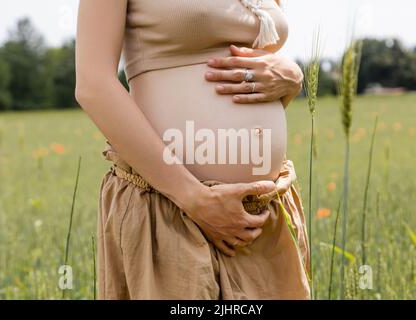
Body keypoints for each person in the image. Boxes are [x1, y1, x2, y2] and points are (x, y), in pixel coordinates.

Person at [75, 0, 310, 299]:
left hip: (262, 214)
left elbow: (259, 57)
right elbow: (93, 85)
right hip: (171, 209)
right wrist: (195, 199)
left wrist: (291, 77)